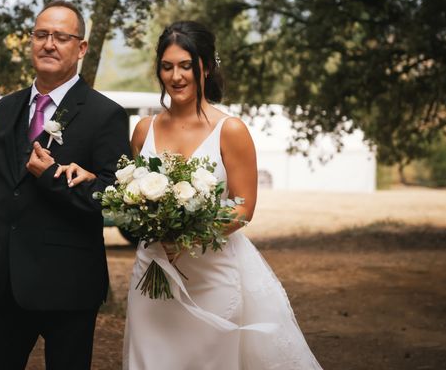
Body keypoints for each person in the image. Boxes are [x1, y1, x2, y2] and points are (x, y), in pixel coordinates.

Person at [58, 21, 323, 369]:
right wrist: (96, 179)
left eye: (186, 65)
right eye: (167, 67)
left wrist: (187, 236)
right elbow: (127, 190)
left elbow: (244, 208)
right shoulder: (144, 129)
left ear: (206, 67)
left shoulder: (230, 130)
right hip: (152, 271)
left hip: (210, 276)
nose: (176, 76)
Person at [0, 0, 131, 370]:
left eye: (61, 36)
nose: (49, 44)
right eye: (41, 35)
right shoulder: (6, 108)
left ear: (81, 47)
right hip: (1, 284)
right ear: (31, 42)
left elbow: (113, 200)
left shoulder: (104, 114)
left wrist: (52, 179)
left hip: (69, 286)